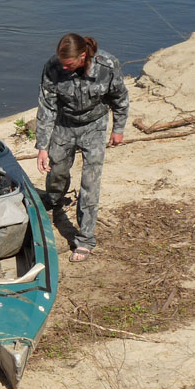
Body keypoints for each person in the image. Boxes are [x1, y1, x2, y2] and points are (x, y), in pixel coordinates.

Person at [35, 33, 128, 263]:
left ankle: (85, 239)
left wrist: (118, 128)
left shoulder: (107, 65)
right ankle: (55, 200)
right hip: (64, 125)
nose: (64, 67)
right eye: (61, 62)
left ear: (83, 56)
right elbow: (47, 107)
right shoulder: (53, 67)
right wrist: (42, 147)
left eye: (69, 63)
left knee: (90, 181)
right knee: (56, 171)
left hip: (94, 127)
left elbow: (119, 97)